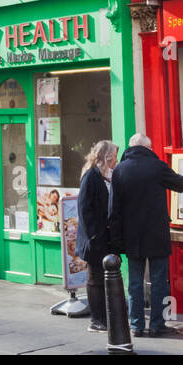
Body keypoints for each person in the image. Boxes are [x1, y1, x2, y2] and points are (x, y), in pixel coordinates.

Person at [109, 133, 183, 338]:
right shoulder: (157, 167)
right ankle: (157, 325)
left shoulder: (120, 170)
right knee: (159, 280)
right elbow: (179, 183)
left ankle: (136, 325)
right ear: (147, 148)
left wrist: (115, 241)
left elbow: (113, 210)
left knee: (135, 282)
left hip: (132, 236)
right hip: (156, 234)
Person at [77, 140, 118, 333]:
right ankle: (96, 320)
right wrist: (93, 235)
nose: (117, 160)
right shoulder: (91, 176)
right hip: (94, 238)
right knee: (94, 279)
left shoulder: (106, 175)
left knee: (103, 279)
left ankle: (105, 317)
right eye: (115, 156)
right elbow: (84, 209)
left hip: (105, 237)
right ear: (108, 156)